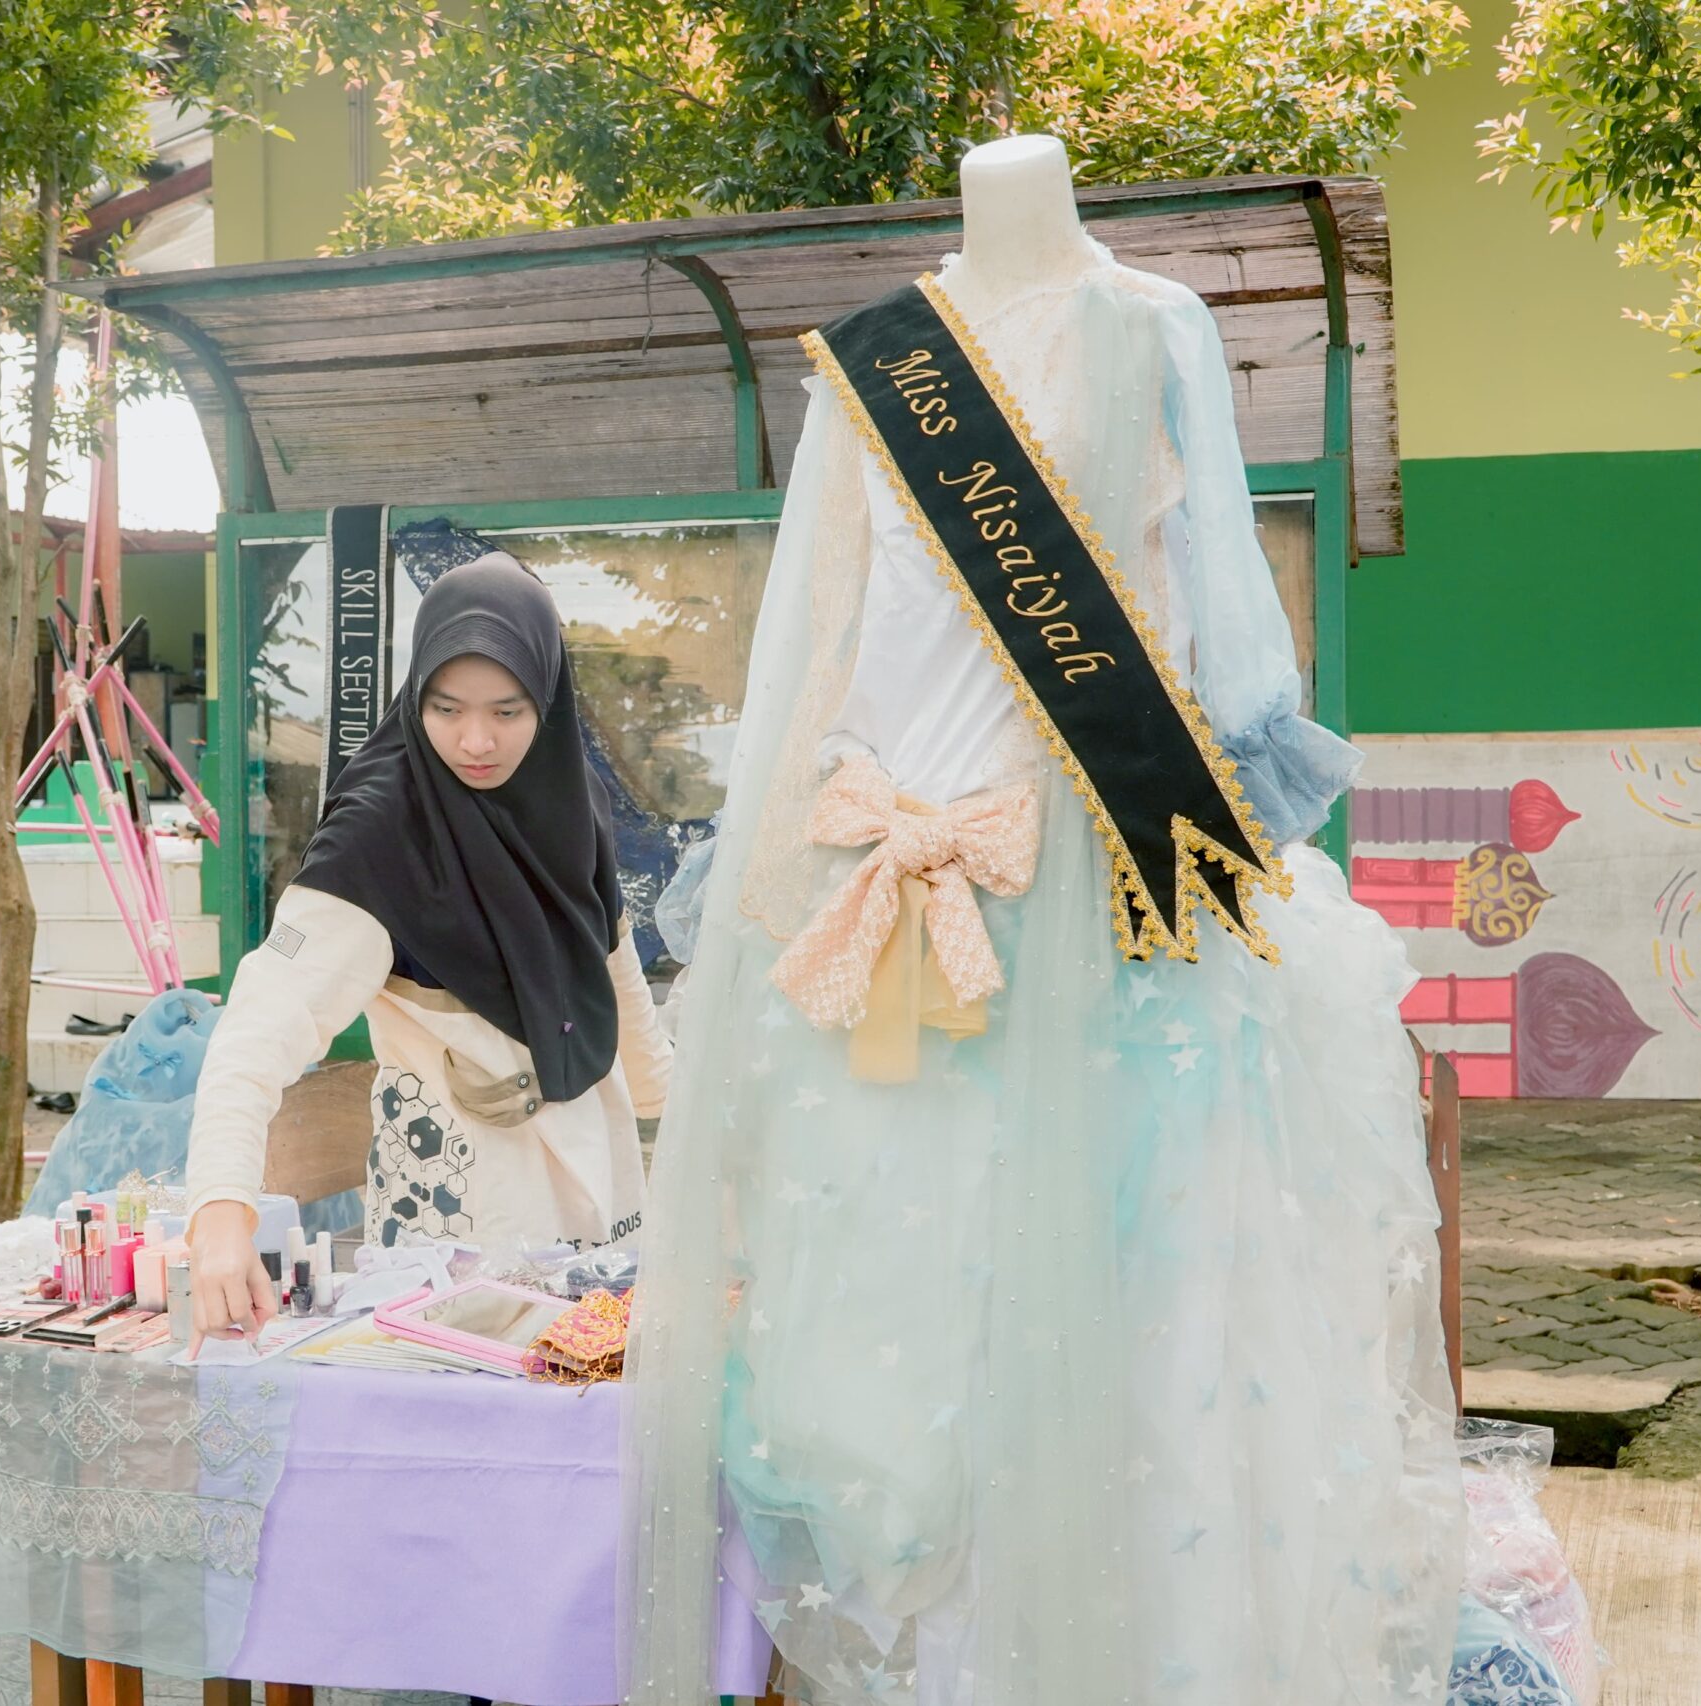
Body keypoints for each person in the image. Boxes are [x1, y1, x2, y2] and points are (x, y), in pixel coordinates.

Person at [625, 136, 1460, 1706]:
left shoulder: (1151, 325)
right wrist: (791, 862)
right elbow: (828, 632)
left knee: (1134, 1334)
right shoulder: (871, 365)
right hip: (900, 904)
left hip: (1104, 902)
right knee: (908, 1351)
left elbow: (1221, 630)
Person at [184, 553, 672, 1344]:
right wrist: (219, 1210)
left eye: (508, 711)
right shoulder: (377, 837)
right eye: (446, 708)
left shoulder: (569, 795)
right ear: (416, 696)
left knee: (595, 1390)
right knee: (466, 1395)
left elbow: (614, 974)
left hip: (599, 1177)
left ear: (547, 698)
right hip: (463, 1206)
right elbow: (260, 1027)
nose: (476, 740)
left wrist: (687, 1133)